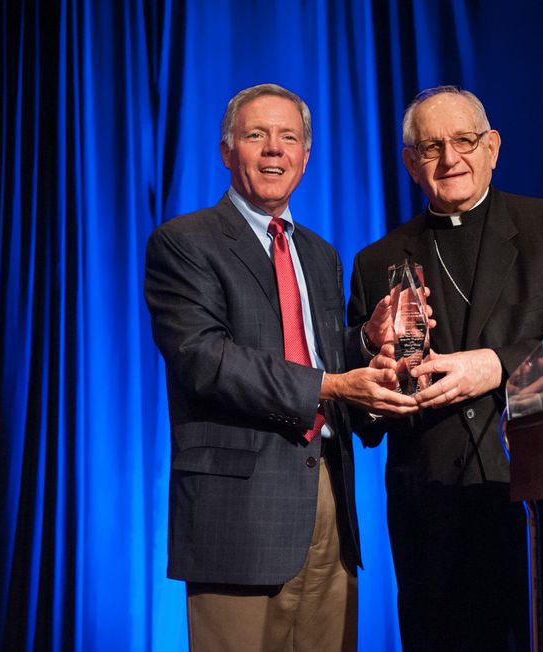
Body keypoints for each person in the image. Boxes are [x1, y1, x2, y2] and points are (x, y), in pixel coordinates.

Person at [346, 86, 543, 650]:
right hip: (433, 515)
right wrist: (374, 365)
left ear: (492, 147)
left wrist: (498, 365)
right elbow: (364, 418)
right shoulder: (377, 261)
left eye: (464, 141)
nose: (450, 159)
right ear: (410, 163)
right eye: (430, 148)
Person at [144, 83, 417, 651]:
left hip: (328, 507)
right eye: (256, 136)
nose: (274, 150)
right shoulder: (184, 242)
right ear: (227, 152)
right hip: (237, 514)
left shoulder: (320, 254)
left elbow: (314, 351)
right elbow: (205, 358)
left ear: (306, 156)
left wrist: (366, 340)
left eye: (288, 137)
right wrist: (332, 384)